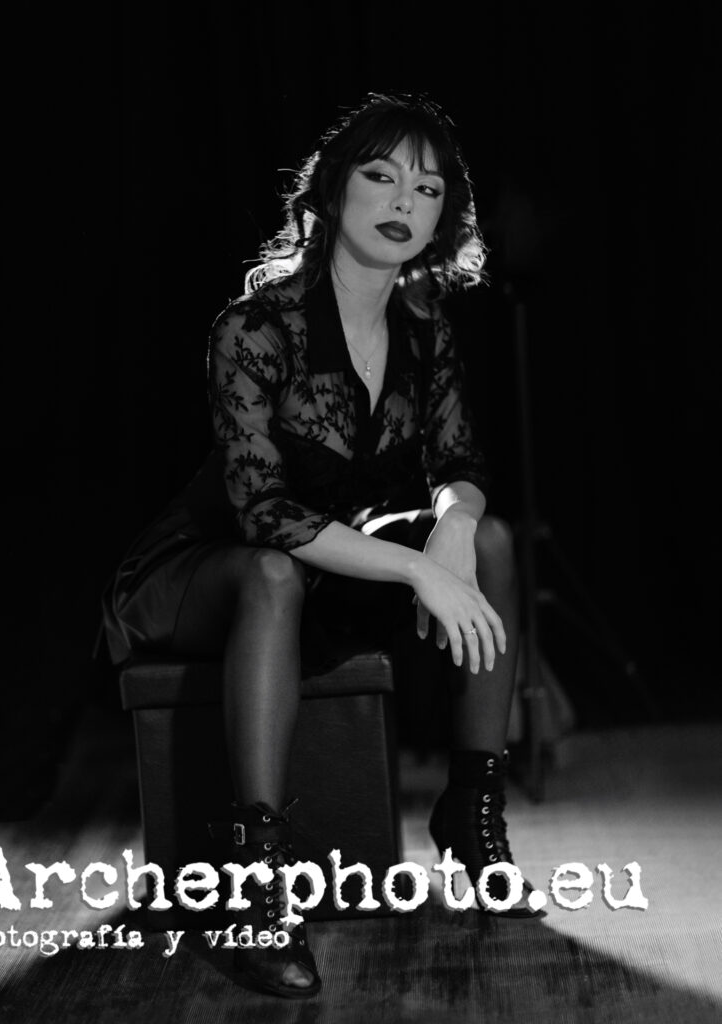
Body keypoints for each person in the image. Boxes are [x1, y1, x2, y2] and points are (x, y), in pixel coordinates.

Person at [104, 92, 540, 1000]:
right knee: (271, 573)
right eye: (381, 176)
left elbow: (460, 463)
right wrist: (416, 564)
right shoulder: (254, 328)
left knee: (492, 540)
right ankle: (257, 879)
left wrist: (453, 527)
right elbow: (263, 514)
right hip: (201, 572)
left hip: (324, 568)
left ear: (443, 217)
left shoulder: (423, 328)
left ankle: (471, 808)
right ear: (331, 192)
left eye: (427, 188)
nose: (403, 201)